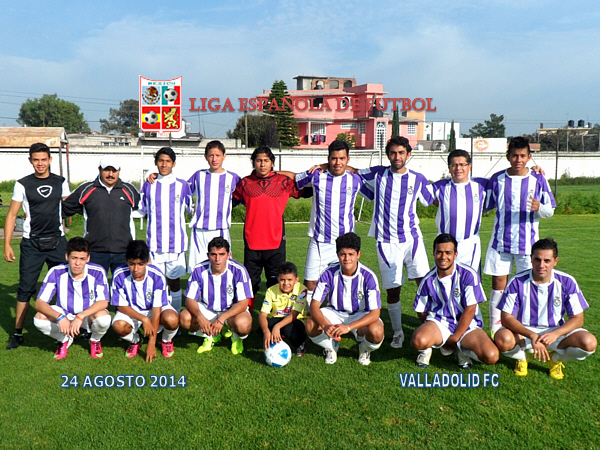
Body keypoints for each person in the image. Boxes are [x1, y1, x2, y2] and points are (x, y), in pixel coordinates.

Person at [357, 136, 435, 348]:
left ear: (408, 154)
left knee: (424, 284)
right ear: (387, 155)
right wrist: (323, 166)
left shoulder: (417, 179)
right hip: (386, 242)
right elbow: (350, 171)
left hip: (412, 240)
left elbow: (434, 199)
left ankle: (430, 327)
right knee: (393, 290)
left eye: (401, 152)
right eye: (393, 153)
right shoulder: (377, 174)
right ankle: (398, 332)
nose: (397, 156)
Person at [494, 238, 597, 379]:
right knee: (502, 338)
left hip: (555, 332)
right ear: (531, 259)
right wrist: (532, 335)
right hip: (524, 332)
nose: (541, 265)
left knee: (589, 343)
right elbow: (506, 318)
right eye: (537, 259)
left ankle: (555, 359)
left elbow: (578, 319)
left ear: (556, 261)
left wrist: (555, 334)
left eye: (547, 261)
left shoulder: (567, 281)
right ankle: (522, 358)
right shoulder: (517, 281)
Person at [484, 137, 556, 334]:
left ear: (529, 157)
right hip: (500, 242)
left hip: (528, 246)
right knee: (498, 285)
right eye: (515, 155)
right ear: (508, 157)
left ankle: (528, 327)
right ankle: (495, 327)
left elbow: (550, 210)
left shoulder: (538, 179)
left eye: (522, 156)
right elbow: (483, 204)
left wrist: (539, 207)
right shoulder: (497, 179)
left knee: (529, 286)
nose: (518, 160)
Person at [282, 139, 365, 307]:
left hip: (345, 244)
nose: (338, 162)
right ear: (328, 159)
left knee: (345, 282)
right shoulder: (317, 176)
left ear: (348, 159)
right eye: (334, 158)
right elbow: (295, 178)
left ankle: (344, 315)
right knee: (310, 283)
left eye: (342, 158)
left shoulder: (356, 180)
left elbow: (377, 185)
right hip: (320, 241)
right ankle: (310, 317)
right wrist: (270, 171)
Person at [4, 143, 70, 350]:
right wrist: (7, 244)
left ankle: (72, 327)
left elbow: (71, 205)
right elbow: (12, 215)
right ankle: (17, 333)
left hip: (58, 241)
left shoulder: (60, 181)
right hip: (32, 243)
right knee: (25, 289)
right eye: (36, 160)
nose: (40, 163)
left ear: (50, 160)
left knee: (66, 285)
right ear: (30, 161)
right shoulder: (22, 184)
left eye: (43, 159)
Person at [411, 233, 499, 369]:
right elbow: (421, 311)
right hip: (440, 322)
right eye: (439, 252)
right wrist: (431, 330)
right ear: (433, 253)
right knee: (418, 340)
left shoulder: (468, 274)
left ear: (455, 254)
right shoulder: (427, 280)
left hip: (468, 324)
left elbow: (470, 309)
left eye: (448, 253)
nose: (443, 257)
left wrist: (455, 337)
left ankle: (462, 350)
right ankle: (426, 351)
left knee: (491, 356)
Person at [232, 146, 302, 310]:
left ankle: (277, 314)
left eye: (266, 161)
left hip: (275, 242)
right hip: (252, 242)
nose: (262, 164)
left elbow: (306, 187)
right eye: (258, 161)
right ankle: (247, 313)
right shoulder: (245, 183)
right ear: (253, 163)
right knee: (251, 282)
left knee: (276, 282)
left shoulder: (283, 182)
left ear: (272, 163)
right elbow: (229, 202)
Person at [306, 232, 384, 365]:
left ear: (358, 254)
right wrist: (325, 325)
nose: (347, 258)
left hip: (360, 314)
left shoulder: (369, 276)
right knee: (310, 325)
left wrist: (348, 327)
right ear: (337, 254)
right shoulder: (329, 273)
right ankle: (330, 347)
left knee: (376, 331)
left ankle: (364, 349)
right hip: (335, 313)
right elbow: (314, 306)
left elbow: (375, 313)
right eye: (343, 254)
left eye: (351, 254)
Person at [33, 237, 111, 359]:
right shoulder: (56, 271)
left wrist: (80, 316)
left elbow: (103, 302)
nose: (77, 263)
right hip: (64, 314)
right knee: (39, 318)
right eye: (74, 258)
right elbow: (40, 303)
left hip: (86, 316)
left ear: (88, 258)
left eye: (82, 259)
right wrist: (59, 317)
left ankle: (95, 340)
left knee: (104, 318)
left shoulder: (97, 271)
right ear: (67, 256)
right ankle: (64, 339)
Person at [63, 156, 140, 277]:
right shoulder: (86, 189)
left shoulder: (129, 190)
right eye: (106, 170)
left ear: (119, 171)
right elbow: (63, 209)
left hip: (124, 251)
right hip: (95, 251)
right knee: (93, 286)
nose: (110, 174)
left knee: (124, 286)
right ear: (99, 169)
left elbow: (145, 210)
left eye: (114, 170)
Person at [139, 147, 193, 312]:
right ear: (156, 163)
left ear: (173, 164)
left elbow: (192, 209)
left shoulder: (182, 186)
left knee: (174, 282)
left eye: (168, 161)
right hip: (154, 245)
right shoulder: (149, 185)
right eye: (161, 161)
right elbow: (141, 209)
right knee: (156, 283)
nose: (164, 164)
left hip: (176, 245)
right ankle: (157, 318)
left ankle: (174, 316)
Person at [180, 237, 253, 355]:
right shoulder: (199, 270)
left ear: (229, 255)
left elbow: (243, 303)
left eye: (222, 254)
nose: (217, 259)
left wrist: (222, 319)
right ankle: (210, 336)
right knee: (185, 318)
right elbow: (189, 299)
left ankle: (235, 337)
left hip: (230, 311)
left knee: (243, 324)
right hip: (207, 309)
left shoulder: (239, 271)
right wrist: (200, 317)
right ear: (208, 255)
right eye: (213, 254)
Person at [111, 240, 180, 361]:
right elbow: (120, 305)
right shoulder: (119, 274)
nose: (135, 269)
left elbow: (157, 309)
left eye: (140, 264)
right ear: (126, 261)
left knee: (172, 319)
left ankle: (166, 340)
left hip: (154, 309)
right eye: (132, 264)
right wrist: (144, 319)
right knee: (118, 326)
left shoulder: (157, 275)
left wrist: (152, 343)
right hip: (132, 310)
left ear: (148, 261)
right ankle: (135, 340)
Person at [187, 140, 241, 270]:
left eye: (217, 155)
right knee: (197, 268)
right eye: (211, 155)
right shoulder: (199, 175)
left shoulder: (233, 178)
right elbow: (181, 190)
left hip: (220, 229)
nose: (214, 159)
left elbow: (246, 195)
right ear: (206, 157)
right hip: (199, 230)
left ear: (224, 156)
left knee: (222, 268)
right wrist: (157, 176)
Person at [431, 150, 488, 270]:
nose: (458, 168)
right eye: (454, 165)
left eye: (462, 164)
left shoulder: (481, 185)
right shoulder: (439, 186)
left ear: (469, 166)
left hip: (469, 244)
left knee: (469, 279)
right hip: (445, 244)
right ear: (449, 168)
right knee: (443, 278)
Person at [258, 261, 308, 356]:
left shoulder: (302, 290)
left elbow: (294, 314)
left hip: (296, 319)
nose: (286, 283)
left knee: (289, 330)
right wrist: (266, 331)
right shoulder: (271, 290)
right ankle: (278, 338)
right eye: (282, 280)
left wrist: (277, 327)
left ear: (296, 280)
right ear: (278, 279)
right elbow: (262, 315)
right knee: (261, 329)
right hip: (278, 318)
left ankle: (300, 343)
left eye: (290, 280)